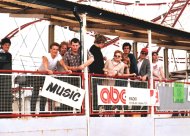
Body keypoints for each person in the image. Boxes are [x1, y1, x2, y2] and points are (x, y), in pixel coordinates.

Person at [30, 42, 71, 113]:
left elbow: (62, 63)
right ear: (50, 50)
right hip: (39, 75)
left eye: (57, 49)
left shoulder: (58, 55)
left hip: (47, 76)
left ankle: (42, 112)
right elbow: (45, 61)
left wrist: (67, 70)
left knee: (44, 95)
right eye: (54, 49)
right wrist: (46, 69)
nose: (55, 51)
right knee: (35, 94)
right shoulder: (46, 55)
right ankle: (32, 112)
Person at [0, 37, 13, 112]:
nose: (7, 46)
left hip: (8, 77)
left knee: (7, 95)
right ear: (2, 45)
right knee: (2, 94)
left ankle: (8, 111)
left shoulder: (9, 55)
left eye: (8, 45)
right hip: (2, 77)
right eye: (6, 45)